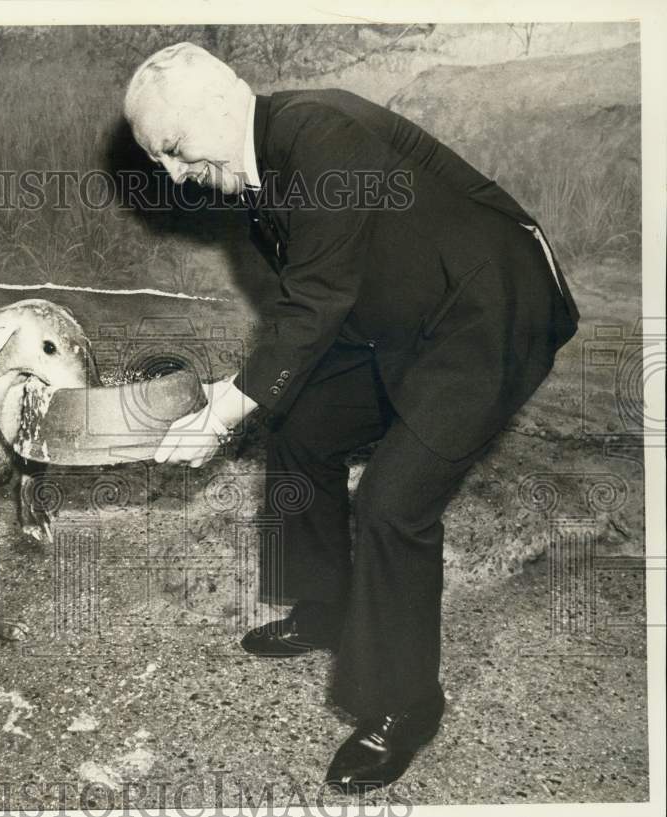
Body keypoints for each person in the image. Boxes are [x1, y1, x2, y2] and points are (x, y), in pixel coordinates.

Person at [123, 42, 579, 792]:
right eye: (157, 159)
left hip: (490, 310)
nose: (172, 174)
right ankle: (327, 605)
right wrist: (245, 391)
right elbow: (321, 292)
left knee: (394, 502)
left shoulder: (320, 137)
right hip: (409, 313)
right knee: (300, 422)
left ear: (219, 101)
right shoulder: (261, 162)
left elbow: (314, 302)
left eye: (172, 149)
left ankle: (408, 702)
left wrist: (227, 407)